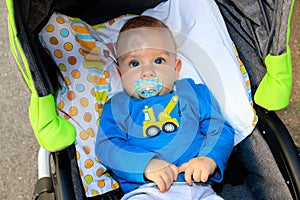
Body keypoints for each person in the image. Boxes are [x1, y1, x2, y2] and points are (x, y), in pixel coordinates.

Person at [95, 16, 235, 200]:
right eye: (134, 63)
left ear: (176, 68)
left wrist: (209, 158)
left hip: (199, 189)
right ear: (121, 74)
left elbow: (220, 128)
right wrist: (145, 165)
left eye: (159, 61)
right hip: (147, 191)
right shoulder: (117, 106)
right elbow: (108, 147)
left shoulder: (192, 91)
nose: (147, 72)